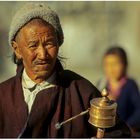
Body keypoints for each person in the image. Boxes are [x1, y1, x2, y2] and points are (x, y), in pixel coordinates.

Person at [0, 3, 131, 138]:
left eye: (49, 43)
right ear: (17, 50)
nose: (42, 54)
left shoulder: (81, 91)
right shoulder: (3, 96)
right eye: (33, 45)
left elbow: (121, 133)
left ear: (59, 42)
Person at [97, 46, 140, 137]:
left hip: (126, 131)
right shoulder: (102, 85)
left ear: (125, 64)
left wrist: (128, 126)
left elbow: (138, 110)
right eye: (107, 64)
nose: (111, 68)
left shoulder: (130, 85)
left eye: (115, 64)